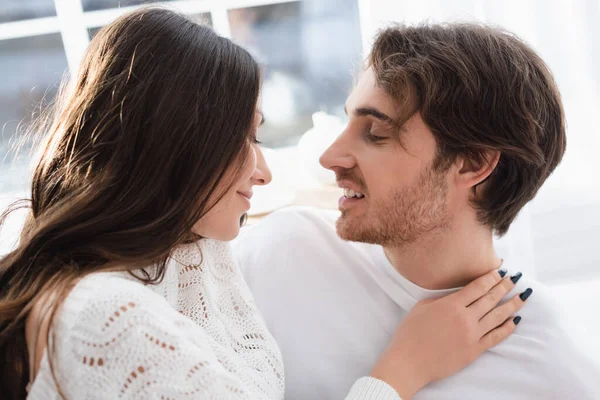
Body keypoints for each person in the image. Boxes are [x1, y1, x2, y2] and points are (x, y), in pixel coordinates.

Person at [0, 9, 528, 400]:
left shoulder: (180, 249)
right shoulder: (110, 320)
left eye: (376, 134)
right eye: (245, 140)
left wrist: (364, 200)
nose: (265, 168)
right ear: (175, 146)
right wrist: (402, 371)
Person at [234, 23, 600, 400]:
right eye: (348, 121)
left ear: (472, 164)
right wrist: (402, 371)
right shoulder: (283, 253)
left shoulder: (555, 373)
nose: (330, 158)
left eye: (375, 132)